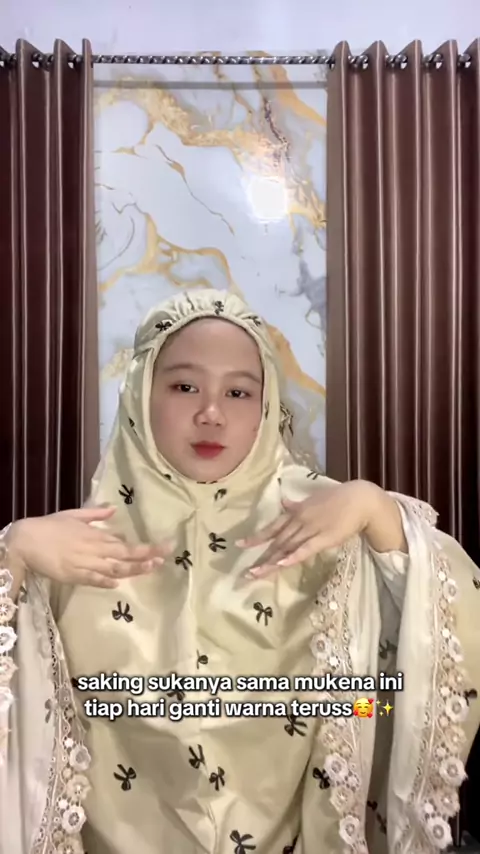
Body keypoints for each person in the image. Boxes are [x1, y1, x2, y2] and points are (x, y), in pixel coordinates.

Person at [1, 288, 479, 854]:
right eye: (185, 386)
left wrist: (376, 511)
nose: (211, 412)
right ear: (139, 393)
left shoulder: (320, 519)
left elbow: (435, 630)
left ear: (266, 405)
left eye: (238, 392)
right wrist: (12, 557)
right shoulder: (72, 545)